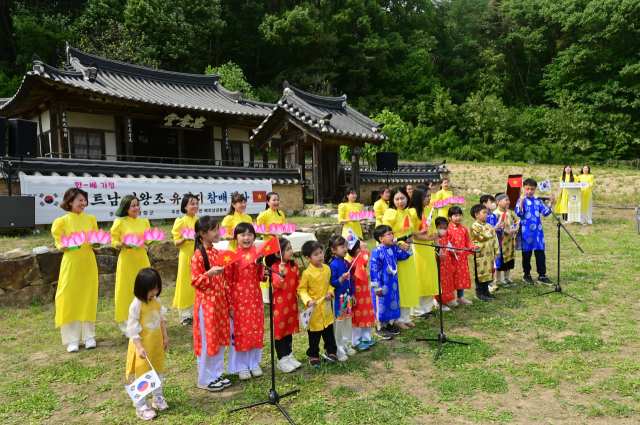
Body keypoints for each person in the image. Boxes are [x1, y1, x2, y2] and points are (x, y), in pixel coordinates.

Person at [51, 187, 100, 352]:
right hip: (71, 263)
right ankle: (72, 339)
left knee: (88, 297)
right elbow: (58, 242)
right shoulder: (62, 221)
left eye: (85, 200)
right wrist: (62, 246)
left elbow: (94, 239)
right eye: (80, 200)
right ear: (70, 201)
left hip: (88, 262)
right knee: (70, 298)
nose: (83, 203)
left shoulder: (90, 219)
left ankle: (89, 336)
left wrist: (96, 244)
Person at [190, 216, 232, 392]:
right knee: (208, 340)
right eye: (214, 230)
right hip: (206, 305)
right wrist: (210, 273)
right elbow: (195, 281)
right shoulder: (198, 255)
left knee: (220, 338)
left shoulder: (216, 251)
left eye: (218, 229)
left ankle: (216, 373)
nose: (218, 233)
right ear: (202, 234)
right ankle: (205, 378)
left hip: (219, 303)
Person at [125, 268, 169, 420]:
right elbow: (132, 329)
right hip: (142, 346)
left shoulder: (157, 301)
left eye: (157, 288)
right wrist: (139, 347)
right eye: (151, 289)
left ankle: (157, 397)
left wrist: (164, 337)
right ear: (141, 288)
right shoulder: (136, 305)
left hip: (155, 344)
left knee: (157, 370)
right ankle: (140, 405)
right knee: (143, 375)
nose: (154, 292)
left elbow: (161, 320)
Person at [382, 187, 428, 329]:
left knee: (408, 284)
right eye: (397, 199)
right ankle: (397, 318)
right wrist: (398, 244)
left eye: (402, 198)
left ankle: (406, 316)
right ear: (392, 201)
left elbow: (410, 232)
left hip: (408, 252)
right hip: (395, 252)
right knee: (400, 285)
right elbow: (384, 233)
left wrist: (420, 232)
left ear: (407, 199)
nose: (400, 201)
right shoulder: (391, 213)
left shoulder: (408, 212)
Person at [226, 222, 265, 379]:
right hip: (239, 300)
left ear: (254, 237)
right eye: (242, 234)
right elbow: (227, 283)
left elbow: (261, 277)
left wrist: (264, 270)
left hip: (255, 298)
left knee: (255, 331)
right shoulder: (231, 257)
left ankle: (254, 362)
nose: (247, 238)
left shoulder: (257, 255)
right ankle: (240, 366)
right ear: (236, 238)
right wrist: (230, 306)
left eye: (250, 234)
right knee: (240, 332)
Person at [111, 195, 152, 337]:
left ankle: (144, 321)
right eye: (132, 205)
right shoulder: (119, 222)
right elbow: (113, 240)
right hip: (127, 261)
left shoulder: (144, 221)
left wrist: (152, 240)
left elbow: (148, 241)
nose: (136, 208)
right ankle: (128, 327)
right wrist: (120, 245)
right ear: (126, 208)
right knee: (126, 291)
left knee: (144, 289)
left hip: (142, 259)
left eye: (137, 205)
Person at [265, 238, 303, 373]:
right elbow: (278, 286)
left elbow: (298, 284)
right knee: (280, 332)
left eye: (291, 248)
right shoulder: (274, 268)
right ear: (277, 254)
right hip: (280, 306)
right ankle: (281, 359)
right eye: (287, 249)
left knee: (289, 329)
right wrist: (280, 275)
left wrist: (304, 297)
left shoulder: (294, 266)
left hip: (291, 304)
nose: (291, 251)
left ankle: (289, 354)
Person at [297, 240, 337, 367]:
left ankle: (331, 351)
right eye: (316, 254)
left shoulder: (327, 268)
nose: (320, 256)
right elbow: (301, 289)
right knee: (314, 336)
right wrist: (308, 300)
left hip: (326, 308)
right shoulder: (307, 273)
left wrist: (330, 292)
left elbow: (331, 284)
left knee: (329, 332)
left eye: (321, 253)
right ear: (308, 258)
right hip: (313, 311)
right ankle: (313, 355)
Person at [370, 225, 410, 339]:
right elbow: (374, 269)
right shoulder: (376, 251)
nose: (393, 236)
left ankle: (387, 324)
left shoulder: (393, 248)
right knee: (381, 304)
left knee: (391, 302)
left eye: (393, 233)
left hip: (392, 284)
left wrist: (407, 246)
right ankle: (379, 327)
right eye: (389, 234)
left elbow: (404, 256)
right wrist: (376, 286)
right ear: (381, 238)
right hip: (382, 284)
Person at [516, 179, 556, 286]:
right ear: (523, 188)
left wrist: (550, 203)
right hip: (526, 233)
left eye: (532, 189)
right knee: (527, 255)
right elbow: (519, 213)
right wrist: (521, 201)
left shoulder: (537, 201)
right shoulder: (520, 201)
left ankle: (542, 275)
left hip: (537, 233)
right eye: (527, 189)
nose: (529, 191)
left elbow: (546, 213)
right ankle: (527, 274)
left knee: (540, 254)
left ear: (535, 189)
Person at [408, 186, 440, 318]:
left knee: (429, 276)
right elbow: (411, 233)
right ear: (418, 196)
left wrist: (437, 245)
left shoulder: (431, 210)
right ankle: (416, 309)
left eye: (429, 195)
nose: (428, 198)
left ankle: (426, 307)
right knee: (419, 277)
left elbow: (434, 229)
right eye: (426, 196)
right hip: (418, 248)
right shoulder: (412, 212)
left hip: (429, 247)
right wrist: (426, 237)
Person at [325, 235, 356, 361]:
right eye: (342, 247)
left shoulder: (346, 262)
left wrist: (353, 294)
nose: (345, 249)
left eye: (346, 246)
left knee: (347, 321)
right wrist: (341, 279)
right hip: (338, 300)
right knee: (338, 323)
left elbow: (351, 281)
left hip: (347, 298)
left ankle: (346, 343)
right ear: (333, 250)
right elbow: (332, 283)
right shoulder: (332, 265)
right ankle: (338, 348)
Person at [172, 193, 200, 325]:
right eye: (192, 204)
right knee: (185, 283)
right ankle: (184, 315)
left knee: (197, 282)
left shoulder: (200, 221)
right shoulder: (180, 221)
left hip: (199, 254)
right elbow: (176, 242)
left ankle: (196, 310)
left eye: (196, 203)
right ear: (185, 207)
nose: (195, 206)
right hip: (186, 255)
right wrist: (186, 238)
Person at [257, 192, 287, 303]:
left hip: (279, 243)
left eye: (278, 200)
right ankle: (268, 296)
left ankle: (280, 287)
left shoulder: (281, 214)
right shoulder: (263, 214)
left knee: (280, 265)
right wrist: (268, 233)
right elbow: (258, 230)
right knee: (269, 267)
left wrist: (285, 232)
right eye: (273, 200)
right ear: (267, 202)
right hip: (269, 245)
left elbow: (283, 227)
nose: (276, 202)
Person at [348, 239, 376, 349]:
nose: (365, 243)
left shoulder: (358, 259)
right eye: (362, 243)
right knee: (358, 318)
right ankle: (356, 341)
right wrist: (364, 251)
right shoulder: (353, 262)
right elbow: (364, 262)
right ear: (357, 250)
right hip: (358, 296)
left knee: (367, 316)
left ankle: (366, 337)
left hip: (365, 295)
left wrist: (362, 250)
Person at [469, 204, 499, 301]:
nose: (486, 215)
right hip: (479, 254)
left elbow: (495, 239)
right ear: (477, 215)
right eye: (484, 213)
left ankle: (486, 291)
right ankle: (479, 293)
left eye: (487, 213)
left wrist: (496, 252)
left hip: (489, 254)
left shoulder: (489, 225)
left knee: (487, 272)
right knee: (480, 273)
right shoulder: (474, 226)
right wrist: (489, 232)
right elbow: (480, 237)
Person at [447, 206, 475, 306]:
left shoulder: (464, 229)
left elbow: (467, 242)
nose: (458, 217)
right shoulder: (447, 229)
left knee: (461, 277)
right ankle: (450, 298)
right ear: (450, 217)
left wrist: (472, 247)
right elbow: (446, 243)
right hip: (451, 258)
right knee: (451, 277)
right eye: (455, 215)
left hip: (462, 259)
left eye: (460, 215)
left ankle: (460, 297)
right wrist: (453, 251)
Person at [493, 193, 518, 286]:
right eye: (506, 200)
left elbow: (515, 222)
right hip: (501, 241)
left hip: (510, 241)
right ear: (498, 202)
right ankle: (498, 278)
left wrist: (516, 229)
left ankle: (507, 277)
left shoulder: (509, 212)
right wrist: (506, 231)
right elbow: (495, 227)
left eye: (508, 200)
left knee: (510, 258)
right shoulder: (495, 214)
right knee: (501, 260)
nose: (508, 202)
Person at [480, 194, 502, 293]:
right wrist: (494, 229)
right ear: (484, 204)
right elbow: (485, 230)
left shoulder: (493, 215)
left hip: (495, 241)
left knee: (494, 263)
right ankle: (487, 284)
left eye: (493, 202)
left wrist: (500, 227)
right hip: (487, 243)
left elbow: (496, 227)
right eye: (491, 202)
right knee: (488, 263)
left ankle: (491, 281)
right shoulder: (483, 217)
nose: (493, 204)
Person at [434, 217, 456, 307]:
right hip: (439, 264)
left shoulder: (446, 237)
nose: (443, 230)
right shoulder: (434, 238)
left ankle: (448, 299)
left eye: (445, 228)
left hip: (446, 263)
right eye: (440, 228)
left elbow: (449, 247)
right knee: (441, 282)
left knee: (448, 282)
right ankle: (438, 301)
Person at [338, 186, 364, 259]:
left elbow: (361, 218)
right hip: (349, 229)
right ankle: (348, 263)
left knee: (359, 245)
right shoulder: (343, 206)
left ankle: (358, 262)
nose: (354, 195)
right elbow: (340, 220)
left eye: (355, 193)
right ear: (347, 195)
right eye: (352, 194)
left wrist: (361, 218)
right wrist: (350, 220)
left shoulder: (358, 205)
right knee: (349, 246)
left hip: (357, 228)